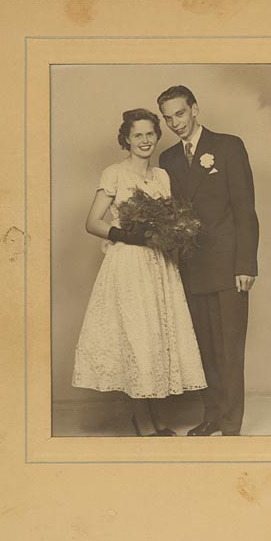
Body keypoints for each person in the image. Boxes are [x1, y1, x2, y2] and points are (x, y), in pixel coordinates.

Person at [72, 108, 207, 436]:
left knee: (155, 337)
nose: (145, 141)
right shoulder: (114, 173)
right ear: (126, 139)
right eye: (138, 135)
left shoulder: (162, 177)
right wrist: (126, 235)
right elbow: (92, 222)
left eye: (150, 134)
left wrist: (173, 233)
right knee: (136, 338)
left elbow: (170, 219)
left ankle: (156, 419)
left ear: (157, 136)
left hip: (159, 265)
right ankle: (143, 422)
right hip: (129, 265)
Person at [158, 86, 259, 436]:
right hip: (190, 268)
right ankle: (212, 416)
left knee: (229, 349)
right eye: (168, 118)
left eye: (180, 114)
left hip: (229, 267)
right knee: (203, 349)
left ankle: (231, 423)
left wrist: (245, 265)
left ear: (195, 110)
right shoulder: (168, 159)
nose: (175, 123)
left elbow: (246, 210)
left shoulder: (229, 146)